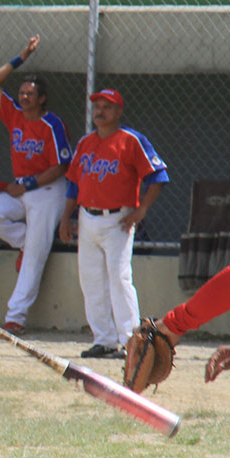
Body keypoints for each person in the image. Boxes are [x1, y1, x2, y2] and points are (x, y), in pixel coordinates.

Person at [59, 89, 168, 359]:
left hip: (119, 218)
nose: (100, 111)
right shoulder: (85, 143)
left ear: (118, 112)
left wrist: (141, 209)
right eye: (97, 106)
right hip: (86, 217)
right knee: (91, 280)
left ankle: (132, 340)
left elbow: (158, 175)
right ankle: (105, 340)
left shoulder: (131, 140)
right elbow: (74, 183)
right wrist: (65, 218)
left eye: (107, 107)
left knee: (119, 278)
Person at [0, 35, 73, 335]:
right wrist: (22, 56)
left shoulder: (52, 124)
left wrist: (28, 183)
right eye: (22, 92)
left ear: (42, 98)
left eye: (30, 94)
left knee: (34, 258)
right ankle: (26, 242)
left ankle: (15, 317)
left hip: (47, 189)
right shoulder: (14, 115)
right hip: (23, 189)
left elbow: (61, 166)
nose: (24, 97)